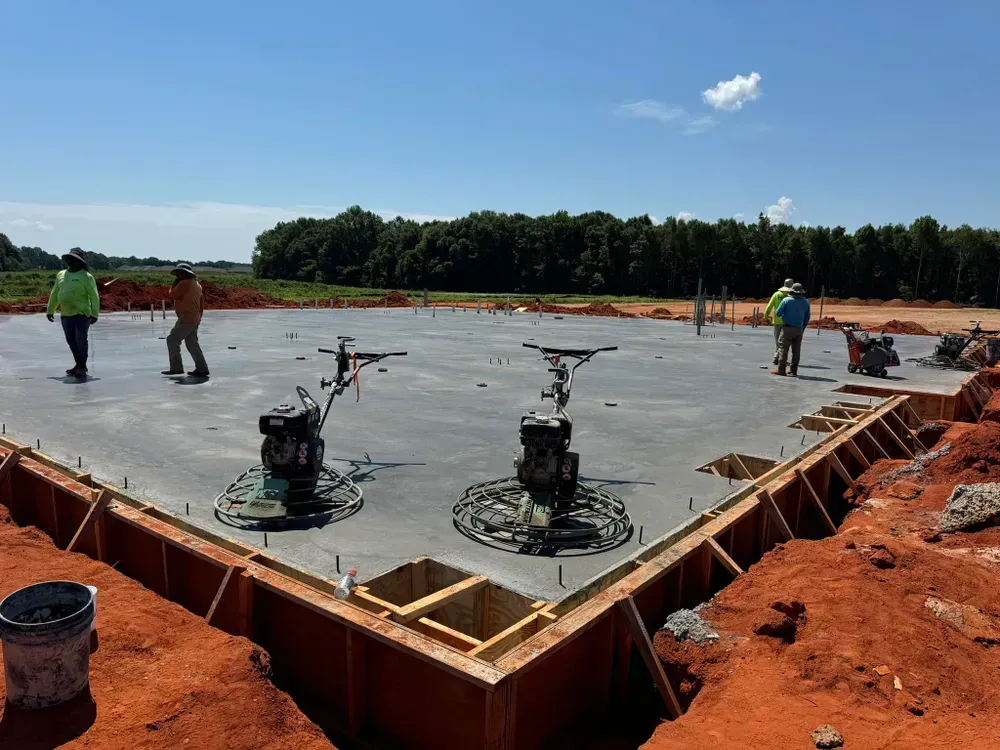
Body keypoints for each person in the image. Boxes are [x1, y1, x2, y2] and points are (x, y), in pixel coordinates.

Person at [45, 248, 100, 378]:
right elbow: (55, 293)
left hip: (82, 313)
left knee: (80, 340)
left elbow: (94, 296)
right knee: (71, 341)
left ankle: (82, 367)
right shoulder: (61, 275)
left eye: (74, 260)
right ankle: (79, 364)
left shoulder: (86, 277)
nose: (71, 262)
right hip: (66, 313)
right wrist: (50, 310)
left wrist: (94, 313)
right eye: (70, 259)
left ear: (79, 262)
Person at [162, 263, 209, 377]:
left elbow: (172, 295)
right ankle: (202, 368)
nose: (177, 275)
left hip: (187, 317)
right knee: (192, 343)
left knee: (172, 339)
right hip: (194, 317)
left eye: (179, 273)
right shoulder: (197, 284)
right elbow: (201, 302)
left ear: (184, 273)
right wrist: (199, 317)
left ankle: (176, 367)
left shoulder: (184, 283)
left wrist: (173, 285)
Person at [772, 283, 811, 377]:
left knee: (783, 349)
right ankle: (793, 370)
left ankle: (781, 369)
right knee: (796, 350)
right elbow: (807, 318)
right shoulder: (806, 302)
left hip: (787, 328)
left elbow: (778, 313)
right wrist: (802, 327)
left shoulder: (786, 300)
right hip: (799, 329)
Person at [763, 278, 794, 365]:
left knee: (777, 340)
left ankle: (777, 356)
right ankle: (778, 356)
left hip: (776, 321)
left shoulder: (776, 294)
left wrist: (766, 317)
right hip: (787, 322)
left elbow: (769, 306)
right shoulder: (791, 297)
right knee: (784, 341)